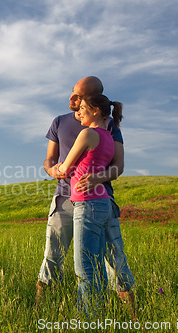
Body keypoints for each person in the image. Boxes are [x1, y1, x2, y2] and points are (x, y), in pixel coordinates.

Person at [36, 77, 135, 318]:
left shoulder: (108, 125)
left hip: (99, 200)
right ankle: (37, 310)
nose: (72, 99)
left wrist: (97, 179)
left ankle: (132, 316)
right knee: (53, 255)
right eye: (72, 93)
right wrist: (53, 171)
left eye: (78, 96)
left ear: (93, 101)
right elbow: (50, 160)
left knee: (114, 257)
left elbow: (118, 165)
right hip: (64, 199)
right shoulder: (59, 122)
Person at [57, 94, 122, 317]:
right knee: (97, 265)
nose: (79, 113)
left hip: (87, 204)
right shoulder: (108, 137)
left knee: (84, 266)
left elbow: (65, 168)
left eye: (83, 108)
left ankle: (88, 319)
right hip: (102, 201)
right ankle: (99, 313)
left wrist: (57, 168)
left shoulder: (87, 134)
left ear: (95, 110)